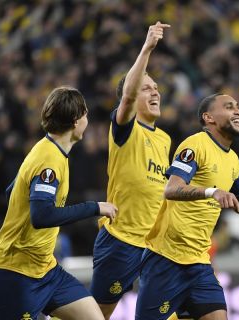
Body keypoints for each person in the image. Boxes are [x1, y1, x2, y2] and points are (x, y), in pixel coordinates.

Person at [135, 94, 239, 320]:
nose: (238, 111)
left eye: (237, 106)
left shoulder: (232, 159)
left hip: (199, 263)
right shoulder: (195, 145)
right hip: (166, 259)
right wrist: (211, 192)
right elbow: (172, 189)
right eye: (228, 107)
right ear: (209, 118)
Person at [0, 86, 117, 320]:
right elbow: (42, 216)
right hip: (15, 272)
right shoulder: (50, 160)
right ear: (76, 121)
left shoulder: (47, 149)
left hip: (46, 269)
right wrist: (95, 207)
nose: (87, 119)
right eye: (85, 114)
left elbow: (11, 191)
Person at [90, 22, 172, 318]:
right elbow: (126, 97)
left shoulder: (164, 139)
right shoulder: (125, 128)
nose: (155, 93)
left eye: (157, 88)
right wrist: (147, 48)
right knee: (98, 315)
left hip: (155, 246)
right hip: (121, 241)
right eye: (147, 88)